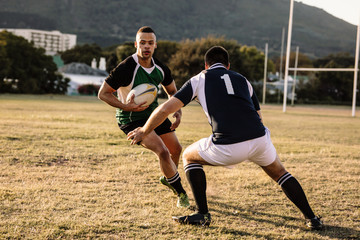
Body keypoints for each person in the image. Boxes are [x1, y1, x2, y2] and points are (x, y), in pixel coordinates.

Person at [127, 46, 324, 230]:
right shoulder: (243, 79)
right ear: (228, 66)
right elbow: (258, 115)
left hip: (228, 145)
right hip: (260, 139)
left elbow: (164, 109)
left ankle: (202, 214)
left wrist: (144, 130)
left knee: (188, 156)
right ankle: (312, 219)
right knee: (280, 173)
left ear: (206, 65)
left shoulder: (200, 78)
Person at [98, 26, 189, 208]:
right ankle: (181, 192)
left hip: (154, 115)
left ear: (155, 45)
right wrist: (125, 106)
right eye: (142, 43)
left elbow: (172, 92)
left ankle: (169, 177)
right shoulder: (126, 68)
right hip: (131, 119)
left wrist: (177, 110)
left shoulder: (160, 68)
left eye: (150, 43)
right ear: (136, 44)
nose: (146, 46)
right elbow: (103, 93)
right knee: (162, 151)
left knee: (176, 150)